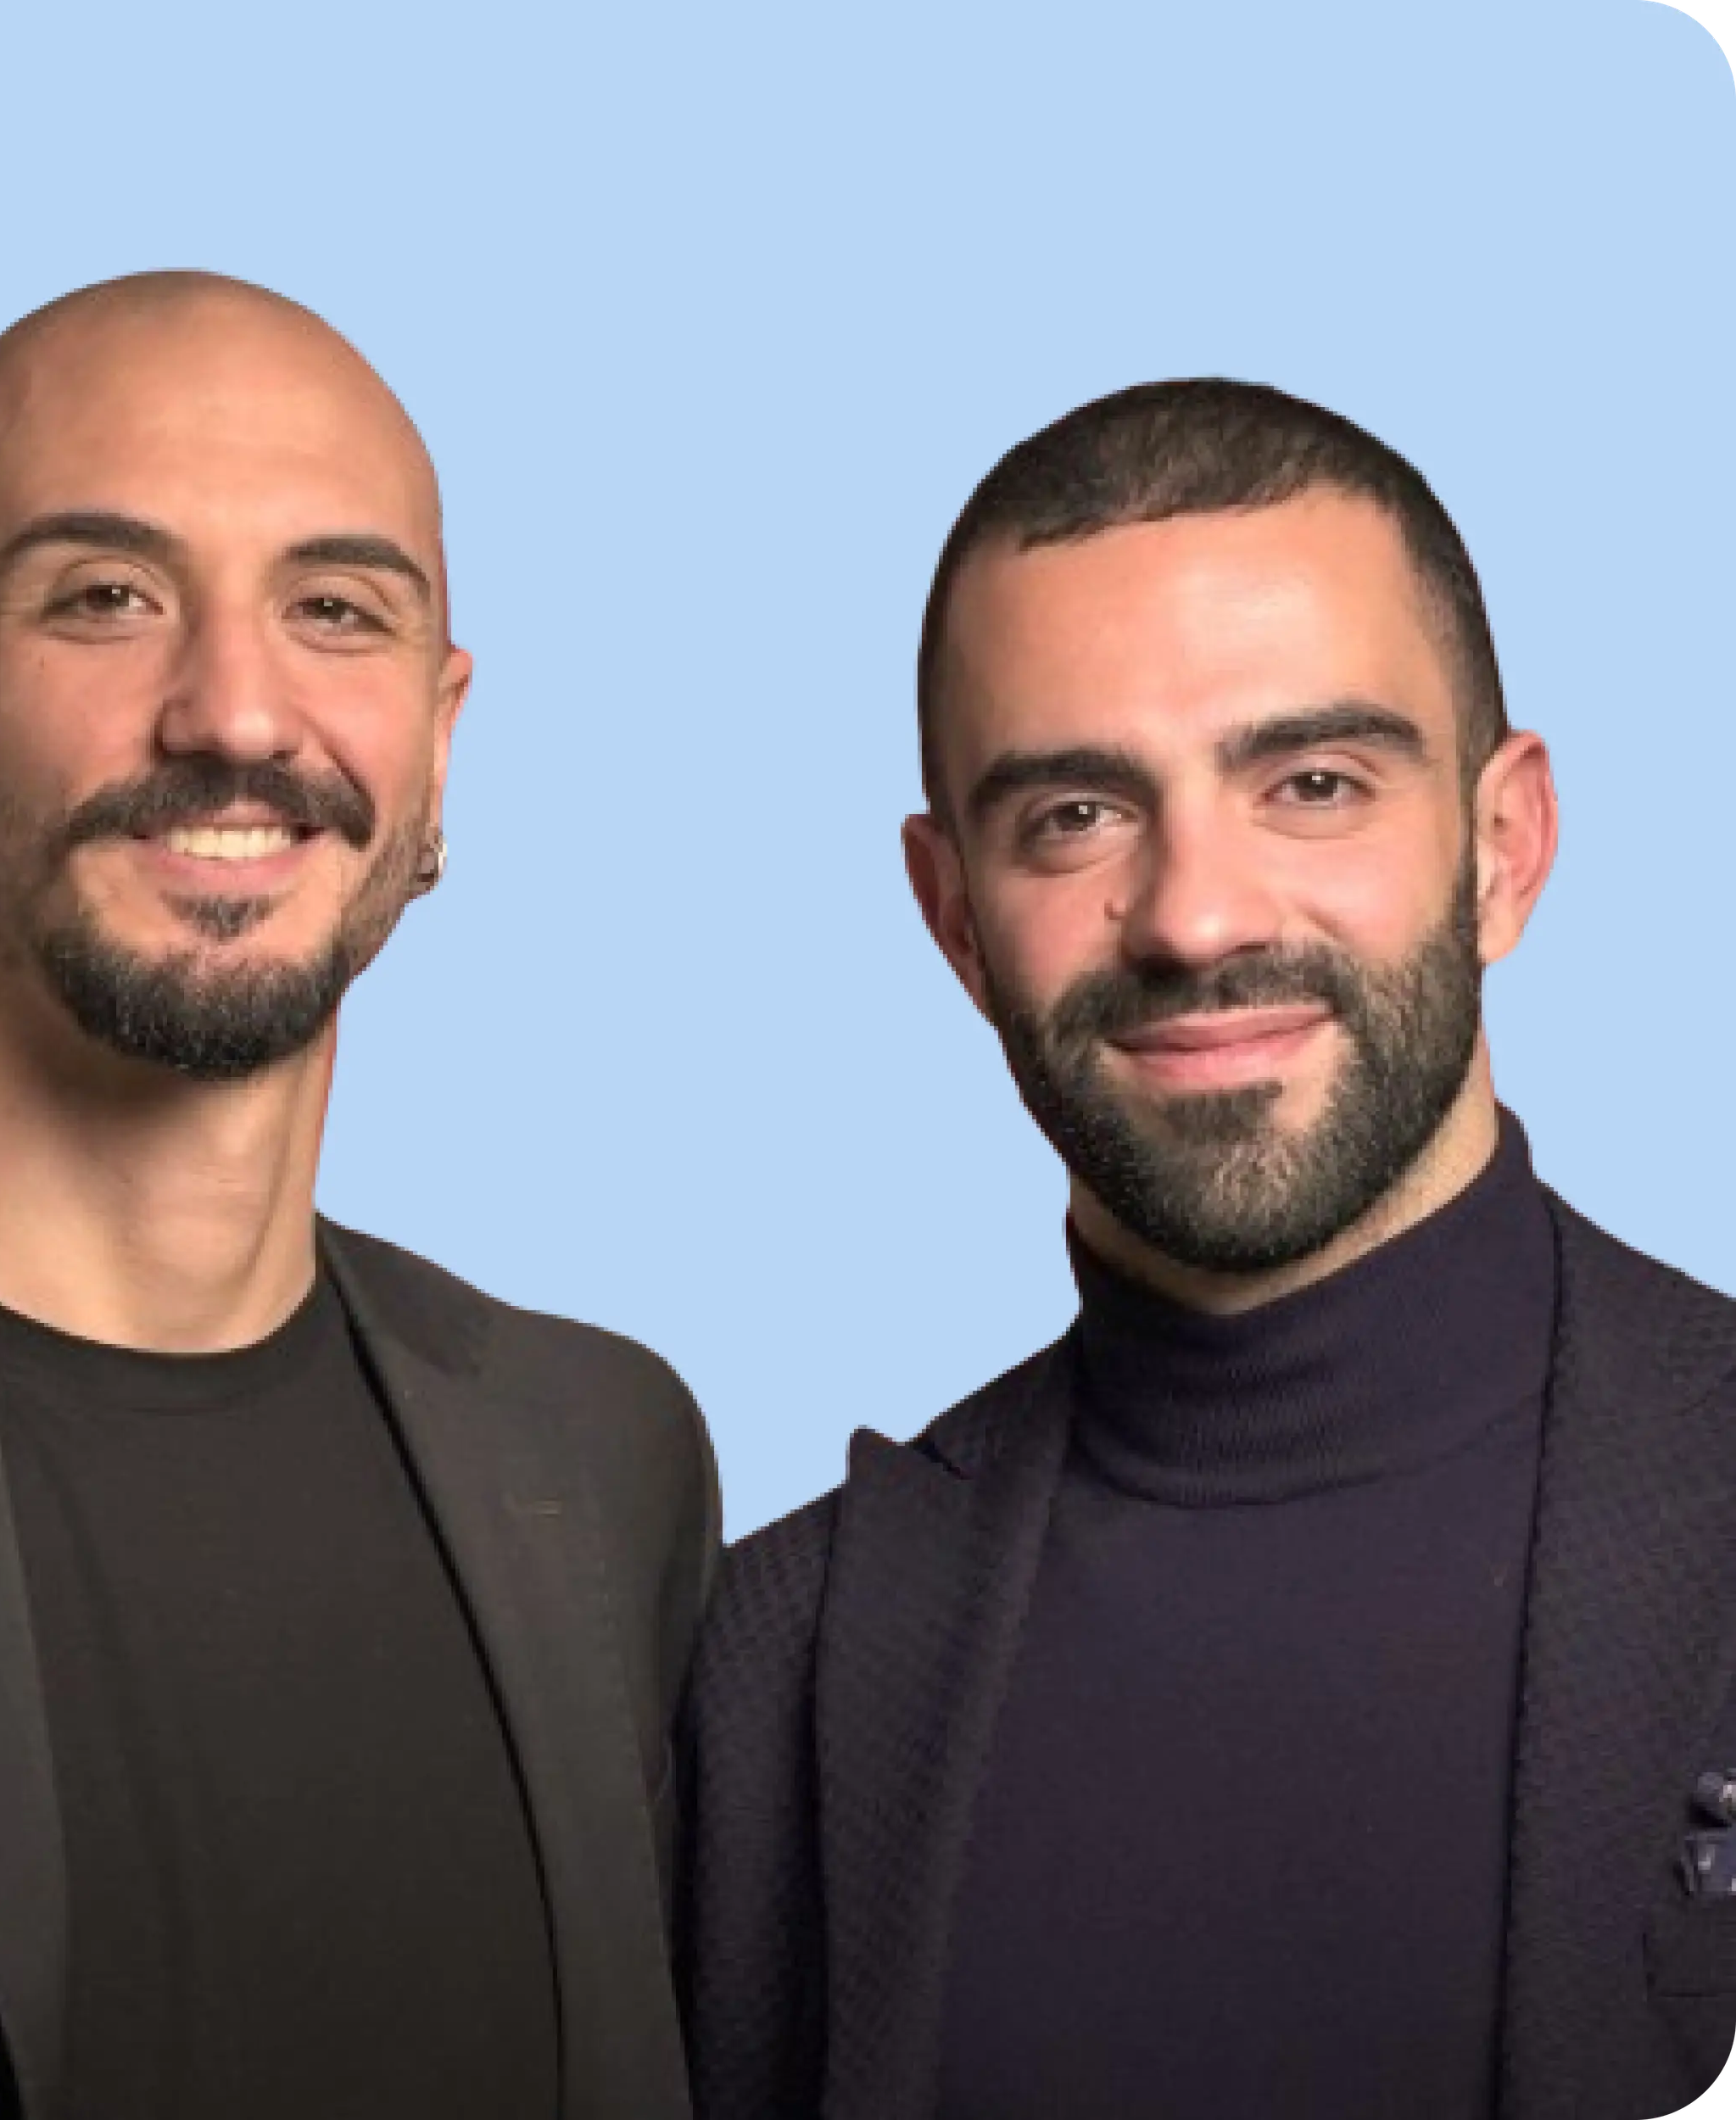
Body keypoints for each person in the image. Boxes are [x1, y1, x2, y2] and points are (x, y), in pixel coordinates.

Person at [0, 271, 716, 2120]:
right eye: (105, 596)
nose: (235, 713)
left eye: (335, 607)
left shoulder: (611, 1463)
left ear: (440, 734)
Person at [678, 380, 1736, 2120]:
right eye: (1073, 816)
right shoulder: (767, 1670)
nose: (1193, 914)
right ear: (953, 919)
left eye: (1310, 782)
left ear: (1502, 846)